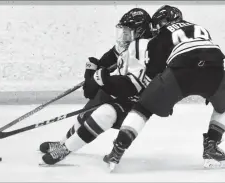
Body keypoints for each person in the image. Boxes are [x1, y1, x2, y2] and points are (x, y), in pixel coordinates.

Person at [102, 5, 225, 171]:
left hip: (181, 72)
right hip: (215, 70)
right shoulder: (200, 28)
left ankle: (117, 150)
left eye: (159, 23)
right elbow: (205, 50)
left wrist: (148, 96)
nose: (157, 27)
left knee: (142, 108)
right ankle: (212, 145)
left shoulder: (159, 38)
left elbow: (152, 74)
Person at [39, 8, 153, 165]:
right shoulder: (125, 46)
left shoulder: (149, 48)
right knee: (88, 111)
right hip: (118, 90)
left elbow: (139, 80)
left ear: (140, 31)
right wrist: (92, 73)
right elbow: (97, 77)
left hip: (135, 98)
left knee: (105, 114)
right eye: (123, 30)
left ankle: (65, 150)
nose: (124, 35)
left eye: (128, 31)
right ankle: (62, 143)